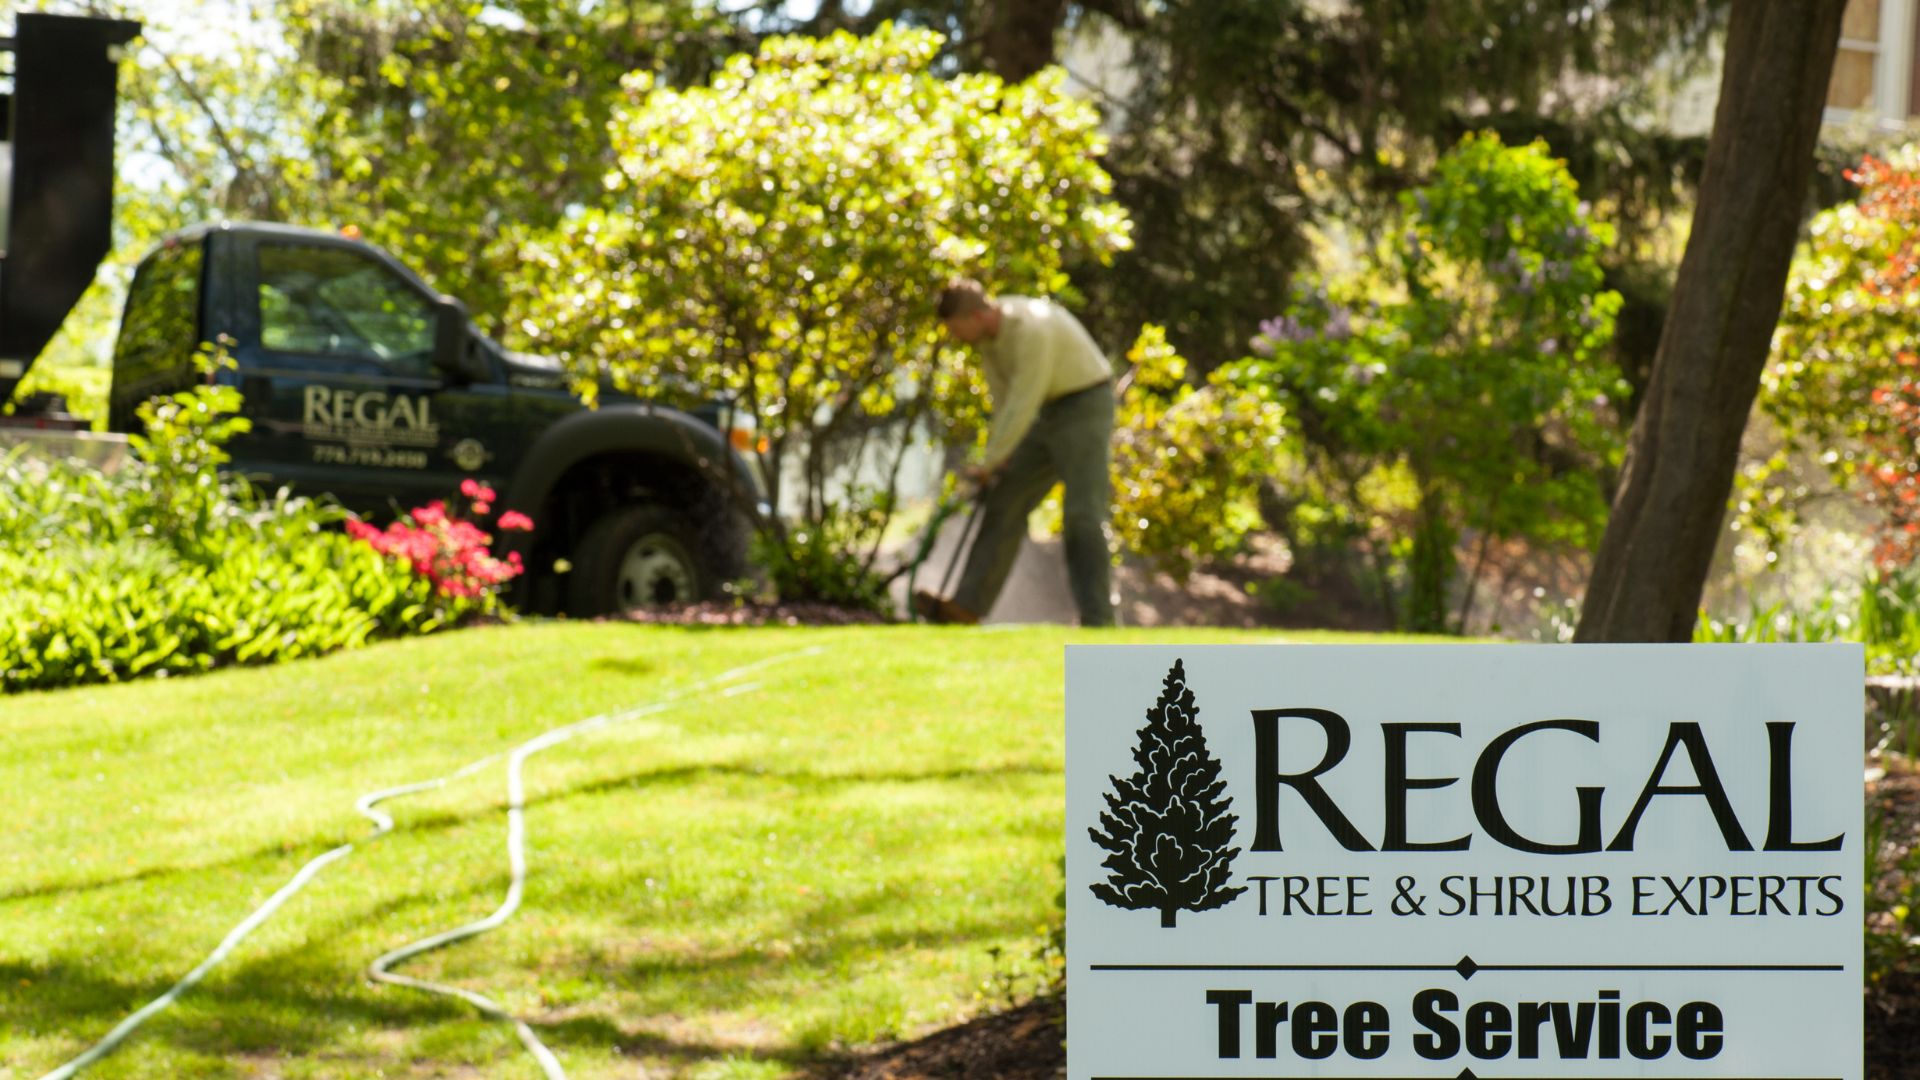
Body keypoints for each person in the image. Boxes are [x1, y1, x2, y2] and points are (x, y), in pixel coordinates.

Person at [913, 279, 1116, 627]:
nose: (956, 338)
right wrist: (998, 457)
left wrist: (989, 461)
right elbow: (1003, 402)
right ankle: (966, 607)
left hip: (1084, 403)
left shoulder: (1031, 327)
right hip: (1044, 413)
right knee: (1004, 500)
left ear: (976, 315)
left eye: (957, 329)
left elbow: (1024, 398)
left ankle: (1099, 619)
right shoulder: (988, 341)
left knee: (1082, 516)